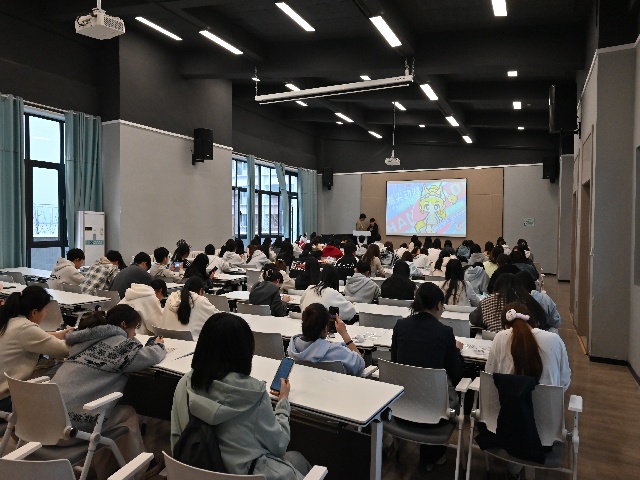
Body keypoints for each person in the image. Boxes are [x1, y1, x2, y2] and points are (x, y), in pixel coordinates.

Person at [171, 313, 311, 479]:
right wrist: (283, 402)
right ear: (245, 352)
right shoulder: (253, 394)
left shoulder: (185, 384)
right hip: (246, 475)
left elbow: (176, 441)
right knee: (298, 460)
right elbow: (279, 446)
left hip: (194, 473)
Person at [53, 306, 166, 479]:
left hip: (44, 421)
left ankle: (108, 470)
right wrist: (159, 346)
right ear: (123, 325)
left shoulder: (85, 341)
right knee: (127, 414)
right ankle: (140, 469)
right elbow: (149, 356)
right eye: (134, 328)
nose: (135, 333)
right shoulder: (120, 346)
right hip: (69, 429)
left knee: (106, 416)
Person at [485, 302, 571, 480]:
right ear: (533, 320)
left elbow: (489, 378)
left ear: (505, 325)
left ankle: (514, 470)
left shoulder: (500, 338)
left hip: (505, 429)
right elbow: (563, 384)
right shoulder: (555, 340)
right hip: (546, 434)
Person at [391, 282, 464, 468]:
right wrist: (455, 351)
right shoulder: (445, 332)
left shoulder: (400, 326)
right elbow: (455, 374)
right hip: (435, 409)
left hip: (403, 402)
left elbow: (395, 362)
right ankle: (431, 456)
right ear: (439, 305)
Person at [0, 286, 70, 412]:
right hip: (6, 400)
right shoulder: (26, 328)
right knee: (62, 367)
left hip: (3, 394)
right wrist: (82, 337)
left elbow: (29, 337)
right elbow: (64, 350)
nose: (45, 314)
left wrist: (58, 335)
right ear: (34, 312)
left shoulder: (10, 320)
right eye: (45, 310)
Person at [288, 303, 365, 376]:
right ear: (325, 329)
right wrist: (345, 334)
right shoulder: (338, 352)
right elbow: (360, 364)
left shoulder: (293, 347)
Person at [470, 273, 547, 333]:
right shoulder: (526, 299)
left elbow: (474, 320)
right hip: (523, 340)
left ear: (497, 285)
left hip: (493, 340)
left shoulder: (487, 300)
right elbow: (541, 320)